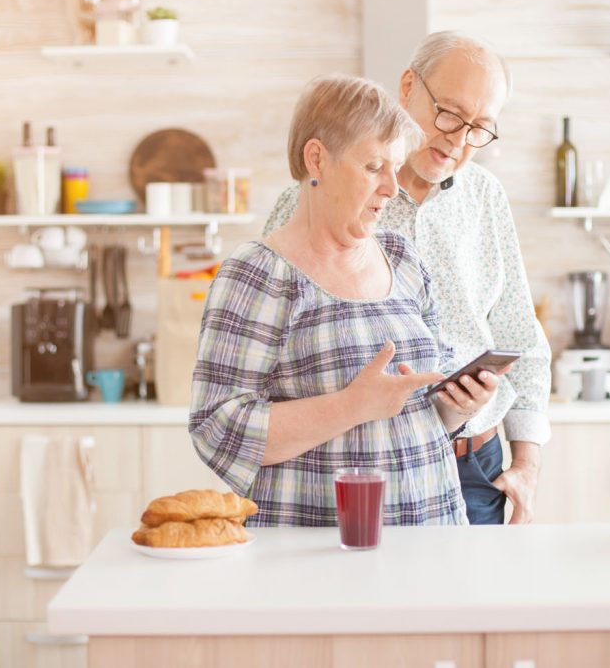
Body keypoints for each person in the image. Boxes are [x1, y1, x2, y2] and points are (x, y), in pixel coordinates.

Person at [190, 75, 508, 527]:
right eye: (374, 167)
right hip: (313, 555)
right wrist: (351, 406)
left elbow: (418, 414)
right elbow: (216, 430)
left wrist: (457, 405)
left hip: (431, 534)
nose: (392, 187)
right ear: (317, 158)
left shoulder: (402, 258)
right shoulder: (258, 273)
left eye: (396, 168)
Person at [264, 31, 551, 525]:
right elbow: (276, 360)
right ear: (408, 86)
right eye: (449, 114)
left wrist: (526, 464)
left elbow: (520, 336)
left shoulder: (484, 196)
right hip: (360, 467)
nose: (458, 141)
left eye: (479, 128)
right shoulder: (323, 194)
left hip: (474, 466)